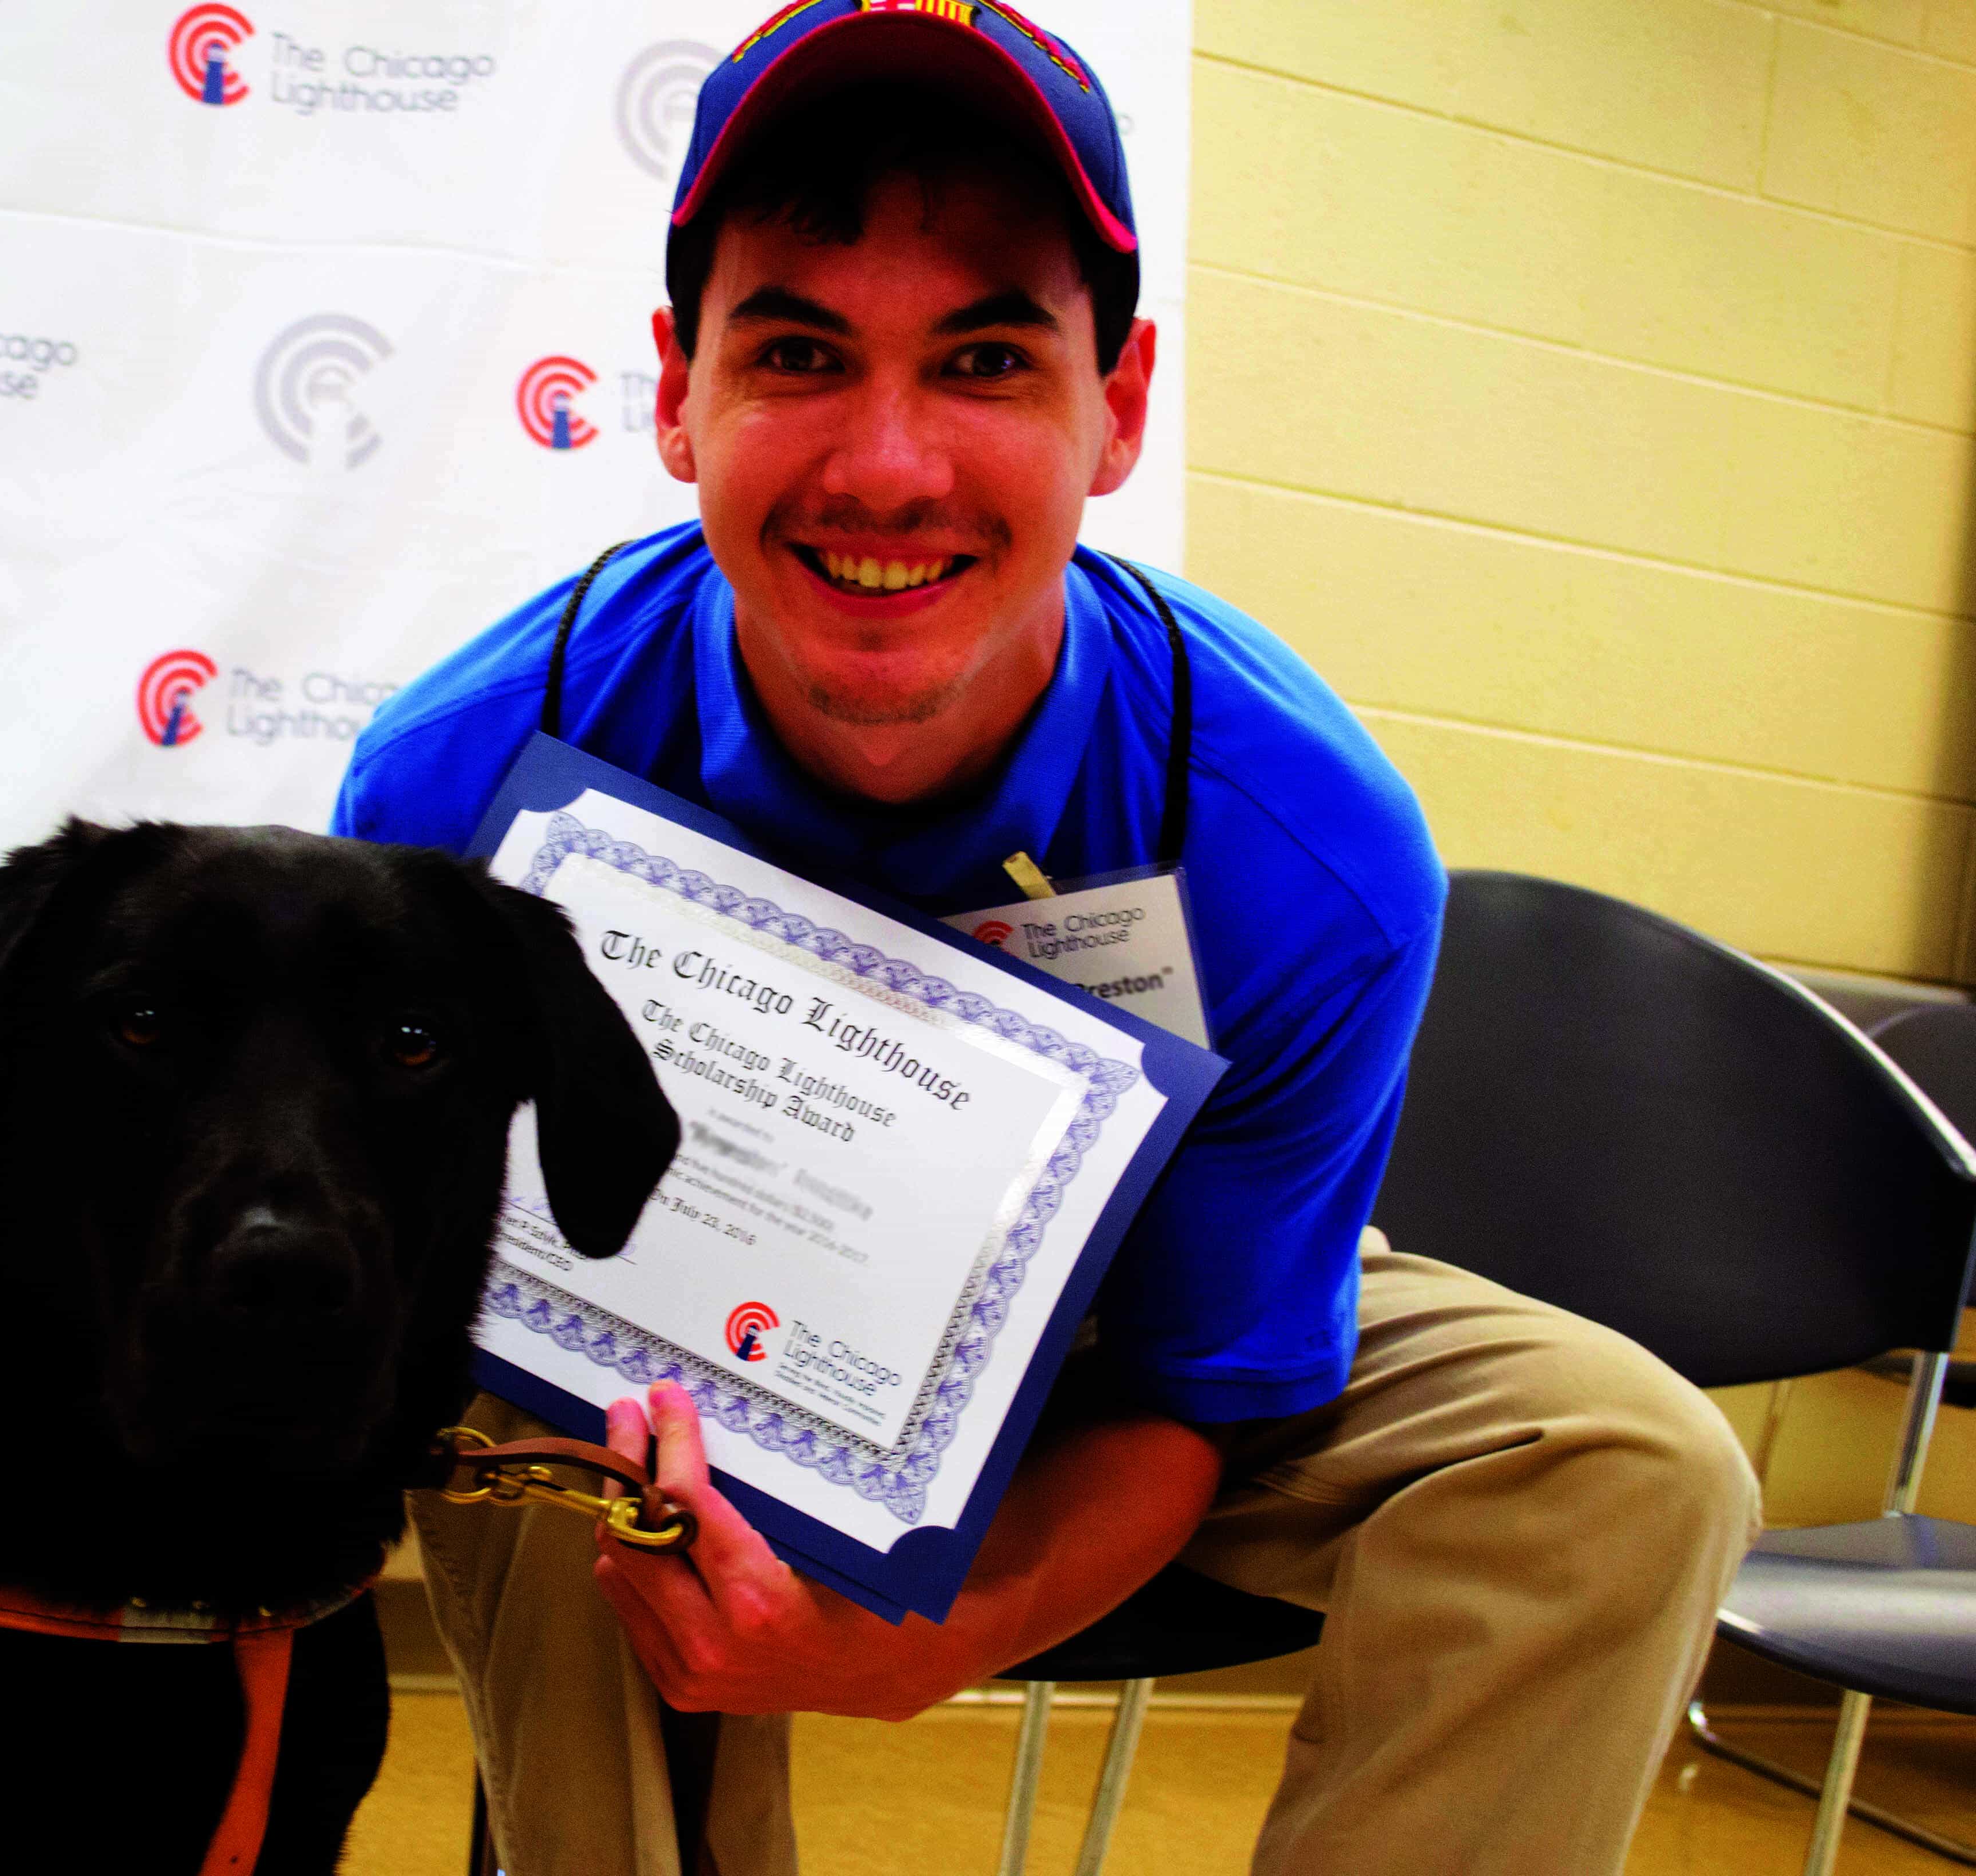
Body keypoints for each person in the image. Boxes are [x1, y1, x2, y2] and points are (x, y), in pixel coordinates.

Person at [328, 6, 1760, 1873]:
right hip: (682, 1337)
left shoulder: (1301, 850)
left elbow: (1197, 1379)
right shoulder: (461, 788)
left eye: (988, 358)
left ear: (1121, 405)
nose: (890, 468)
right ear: (679, 390)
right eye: (801, 353)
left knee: (1626, 1465)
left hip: (1116, 1311)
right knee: (545, 1399)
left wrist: (941, 1633)